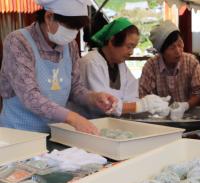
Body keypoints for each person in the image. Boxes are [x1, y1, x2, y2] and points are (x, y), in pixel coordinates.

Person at [0, 0, 117, 134]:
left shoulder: (70, 45)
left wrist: (94, 98)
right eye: (69, 26)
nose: (73, 33)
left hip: (55, 132)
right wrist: (73, 117)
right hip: (19, 133)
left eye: (77, 29)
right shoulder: (18, 41)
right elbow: (30, 96)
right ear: (49, 16)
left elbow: (75, 89)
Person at [77, 17, 169, 118]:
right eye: (129, 46)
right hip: (87, 122)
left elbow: (132, 96)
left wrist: (153, 105)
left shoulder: (121, 66)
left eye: (133, 48)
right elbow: (103, 104)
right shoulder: (91, 62)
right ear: (112, 41)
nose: (131, 52)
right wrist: (140, 106)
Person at [139, 20, 200, 120]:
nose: (178, 51)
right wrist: (157, 106)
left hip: (189, 117)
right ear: (161, 51)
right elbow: (143, 96)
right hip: (160, 120)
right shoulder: (151, 67)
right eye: (172, 48)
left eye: (180, 44)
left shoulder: (191, 62)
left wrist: (185, 105)